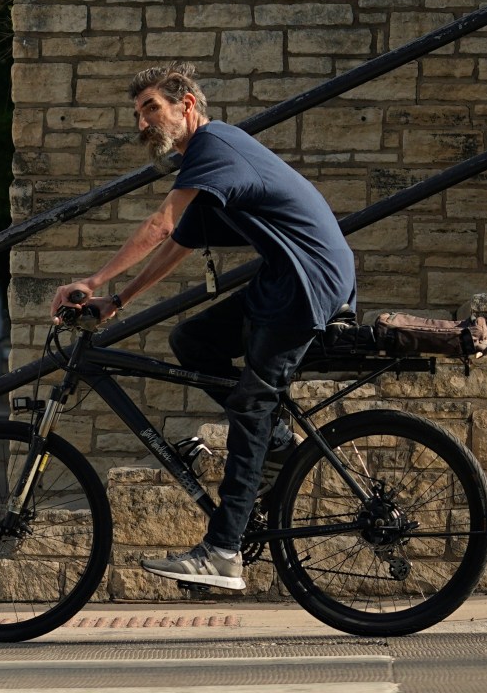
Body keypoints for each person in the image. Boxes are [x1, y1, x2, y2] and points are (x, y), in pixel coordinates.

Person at [48, 66, 355, 592]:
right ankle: (278, 449)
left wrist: (94, 277)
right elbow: (178, 243)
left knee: (251, 405)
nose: (142, 122)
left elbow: (161, 224)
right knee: (192, 341)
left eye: (151, 108)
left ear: (186, 105)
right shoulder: (207, 164)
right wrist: (117, 300)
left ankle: (223, 552)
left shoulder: (215, 144)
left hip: (306, 284)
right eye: (138, 112)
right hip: (281, 281)